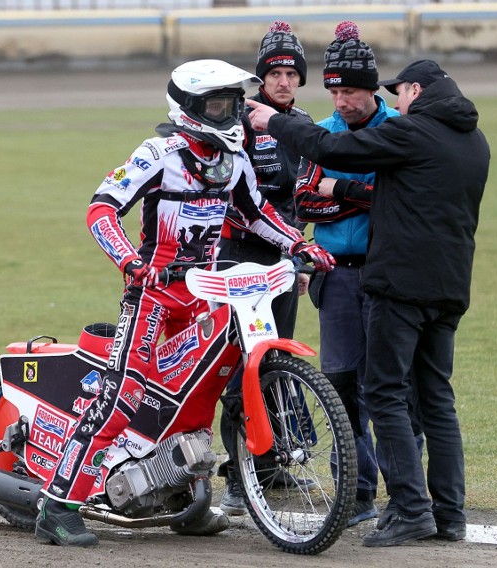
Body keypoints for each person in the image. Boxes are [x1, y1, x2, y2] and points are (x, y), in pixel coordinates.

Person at [34, 58, 335, 547]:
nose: (230, 113)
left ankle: (187, 501)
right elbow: (101, 209)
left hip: (203, 296)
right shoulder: (159, 153)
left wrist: (297, 245)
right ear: (191, 107)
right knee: (122, 398)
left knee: (197, 398)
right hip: (151, 296)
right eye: (219, 104)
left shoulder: (235, 159)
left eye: (234, 103)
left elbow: (256, 214)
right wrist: (132, 263)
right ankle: (59, 505)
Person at [247, 58, 490, 547]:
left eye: (399, 92)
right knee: (437, 400)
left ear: (416, 90)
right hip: (450, 287)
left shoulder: (415, 132)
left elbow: (331, 146)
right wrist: (353, 191)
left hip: (400, 286)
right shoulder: (473, 140)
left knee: (381, 393)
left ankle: (408, 510)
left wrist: (272, 120)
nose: (397, 101)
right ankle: (449, 514)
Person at [293, 20, 400, 528]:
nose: (340, 101)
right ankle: (355, 493)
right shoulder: (326, 133)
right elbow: (304, 201)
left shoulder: (397, 130)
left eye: (351, 91)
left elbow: (394, 203)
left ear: (372, 89)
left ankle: (402, 493)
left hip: (384, 278)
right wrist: (356, 197)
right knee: (340, 388)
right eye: (334, 91)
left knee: (387, 388)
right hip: (335, 279)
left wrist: (338, 190)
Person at [215, 20, 315, 516]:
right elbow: (233, 199)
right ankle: (238, 472)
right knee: (241, 363)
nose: (282, 80)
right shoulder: (241, 124)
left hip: (284, 259)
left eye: (290, 72)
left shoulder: (305, 124)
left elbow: (306, 196)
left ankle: (271, 463)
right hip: (241, 258)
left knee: (276, 360)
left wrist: (299, 257)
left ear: (300, 79)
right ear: (261, 78)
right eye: (273, 72)